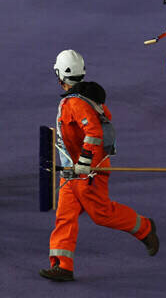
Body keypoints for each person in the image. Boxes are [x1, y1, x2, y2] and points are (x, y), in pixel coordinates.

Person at [43, 49, 159, 282]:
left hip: (90, 172)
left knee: (102, 214)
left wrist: (85, 162)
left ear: (60, 75)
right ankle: (62, 265)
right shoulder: (85, 97)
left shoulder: (75, 103)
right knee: (65, 215)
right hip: (73, 171)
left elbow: (94, 132)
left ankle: (145, 228)